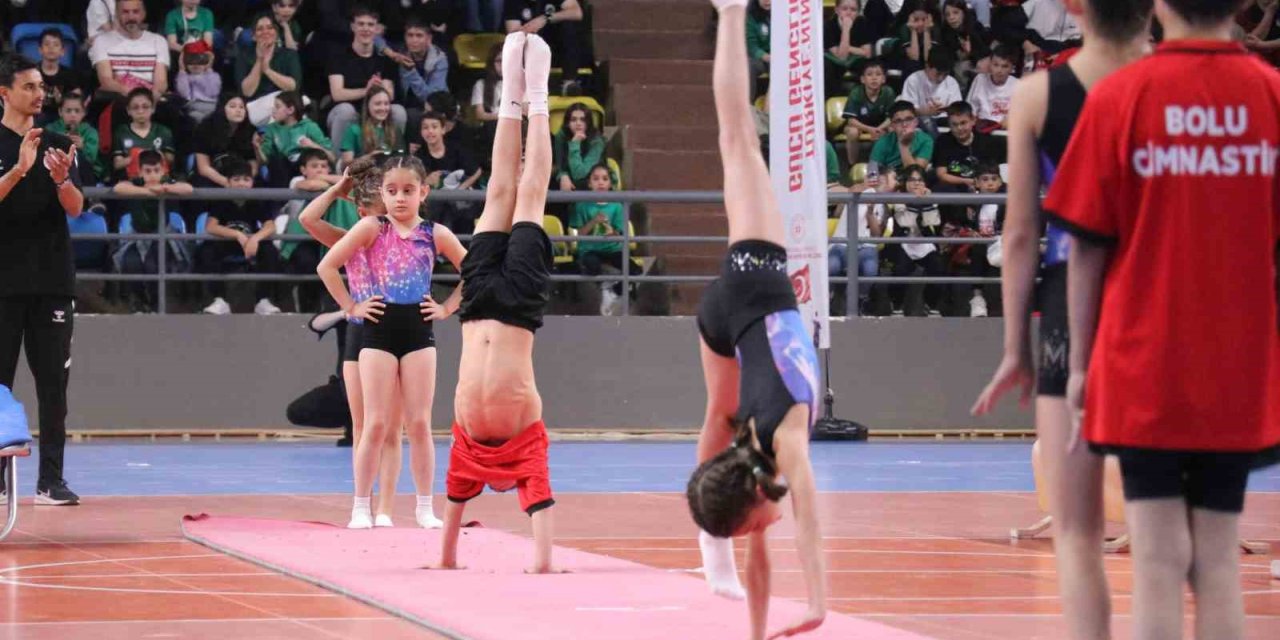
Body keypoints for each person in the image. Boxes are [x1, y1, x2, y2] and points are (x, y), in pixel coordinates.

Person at [1048, 1, 1280, 638]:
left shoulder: (1124, 95)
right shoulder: (1270, 94)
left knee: (1155, 560)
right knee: (1217, 562)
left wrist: (1079, 368)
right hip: (1237, 368)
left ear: (1159, 4)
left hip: (1142, 364)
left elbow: (1086, 249)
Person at [971, 2, 1153, 638]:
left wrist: (1013, 346)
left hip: (1067, 305)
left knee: (1076, 535)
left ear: (1074, 7)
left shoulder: (1036, 95)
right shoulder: (1173, 84)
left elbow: (1020, 234)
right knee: (1165, 531)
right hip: (1157, 303)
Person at [686, 3, 826, 639]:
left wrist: (815, 604)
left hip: (754, 278)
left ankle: (733, 11)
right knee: (719, 414)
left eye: (745, 531)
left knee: (736, 136)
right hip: (730, 315)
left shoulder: (783, 448)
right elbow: (790, 533)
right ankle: (712, 549)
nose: (761, 536)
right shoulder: (760, 458)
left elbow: (808, 529)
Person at [433, 32, 560, 574]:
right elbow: (541, 503)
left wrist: (445, 559)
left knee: (497, 196)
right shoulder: (528, 446)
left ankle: (511, 94)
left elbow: (456, 508)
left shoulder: (466, 455)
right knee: (530, 194)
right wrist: (543, 563)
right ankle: (536, 96)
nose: (504, 483)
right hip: (518, 308)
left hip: (479, 303)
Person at [318, 153, 468, 530]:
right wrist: (351, 304)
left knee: (418, 423)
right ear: (382, 194)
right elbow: (327, 266)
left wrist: (448, 307)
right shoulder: (372, 228)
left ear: (424, 192)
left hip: (418, 332)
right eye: (392, 191)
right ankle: (360, 508)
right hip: (377, 331)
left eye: (408, 190)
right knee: (376, 424)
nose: (400, 198)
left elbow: (475, 270)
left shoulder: (434, 233)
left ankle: (423, 507)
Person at [0, 54, 86, 506]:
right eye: (29, 87)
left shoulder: (58, 142)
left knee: (53, 385)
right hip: (3, 283)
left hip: (52, 279)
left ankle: (51, 480)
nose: (39, 94)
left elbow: (75, 206)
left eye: (40, 87)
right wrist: (17, 169)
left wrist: (59, 180)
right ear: (4, 93)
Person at [301, 156, 402, 525]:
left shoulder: (407, 236)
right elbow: (308, 220)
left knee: (392, 426)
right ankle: (363, 504)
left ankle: (387, 509)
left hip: (398, 331)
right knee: (363, 426)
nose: (388, 210)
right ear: (362, 210)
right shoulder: (351, 241)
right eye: (380, 205)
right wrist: (336, 189)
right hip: (361, 333)